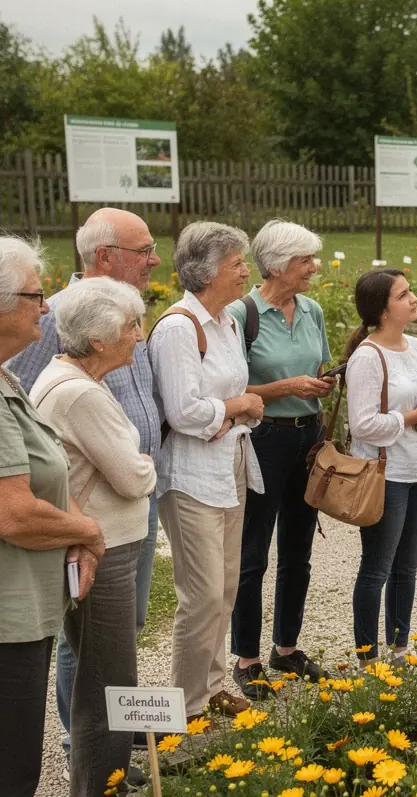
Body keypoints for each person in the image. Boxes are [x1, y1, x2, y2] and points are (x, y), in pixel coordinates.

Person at [0, 237, 104, 797]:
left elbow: (37, 479)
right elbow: (11, 513)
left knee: (5, 761)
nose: (46, 307)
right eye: (33, 294)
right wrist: (85, 530)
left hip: (12, 606)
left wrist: (73, 524)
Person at [6, 208, 162, 765]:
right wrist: (136, 464)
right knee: (93, 644)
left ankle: (114, 737)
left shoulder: (118, 315)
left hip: (128, 506)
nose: (155, 259)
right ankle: (87, 746)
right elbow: (19, 401)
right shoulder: (61, 321)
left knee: (122, 631)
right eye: (144, 250)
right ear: (105, 256)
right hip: (95, 512)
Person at [30, 278, 156, 797]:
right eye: (131, 326)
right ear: (100, 339)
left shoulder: (72, 379)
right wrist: (144, 465)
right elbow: (133, 475)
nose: (139, 335)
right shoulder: (80, 393)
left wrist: (134, 462)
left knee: (104, 672)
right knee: (108, 678)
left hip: (101, 543)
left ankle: (108, 780)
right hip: (103, 547)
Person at [149, 222, 264, 721]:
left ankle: (212, 685)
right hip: (191, 476)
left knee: (226, 586)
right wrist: (238, 407)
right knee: (201, 595)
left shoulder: (228, 322)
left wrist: (232, 414)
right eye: (236, 264)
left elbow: (223, 405)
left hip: (230, 462)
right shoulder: (179, 328)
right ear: (207, 272)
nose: (246, 271)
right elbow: (184, 413)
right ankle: (187, 703)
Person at [227, 220, 335, 697]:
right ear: (275, 265)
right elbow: (231, 389)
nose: (314, 267)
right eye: (304, 260)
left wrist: (321, 383)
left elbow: (318, 366)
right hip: (263, 437)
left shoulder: (312, 310)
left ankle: (286, 649)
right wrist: (286, 387)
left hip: (307, 436)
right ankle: (247, 658)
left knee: (298, 550)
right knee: (252, 553)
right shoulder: (241, 314)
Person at [343, 270, 417, 664]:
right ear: (383, 310)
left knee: (408, 568)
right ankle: (368, 659)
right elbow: (362, 425)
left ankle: (399, 651)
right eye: (403, 295)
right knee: (377, 570)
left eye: (410, 291)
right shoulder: (367, 357)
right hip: (386, 476)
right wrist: (410, 418)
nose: (413, 298)